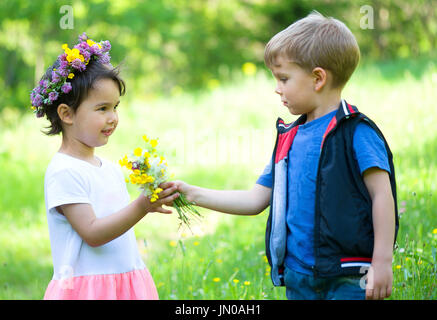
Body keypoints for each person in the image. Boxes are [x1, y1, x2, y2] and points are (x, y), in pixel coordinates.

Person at [172, 12, 399, 300]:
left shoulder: (356, 132)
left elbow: (382, 196)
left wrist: (381, 263)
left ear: (318, 78)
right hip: (298, 276)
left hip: (349, 276)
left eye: (284, 78)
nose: (277, 88)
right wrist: (192, 193)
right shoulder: (288, 138)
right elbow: (256, 199)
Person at [31, 32, 179, 300]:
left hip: (126, 280)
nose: (113, 118)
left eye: (115, 107)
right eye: (102, 109)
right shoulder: (64, 171)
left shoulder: (108, 168)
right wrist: (142, 206)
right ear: (66, 114)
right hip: (88, 290)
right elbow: (93, 233)